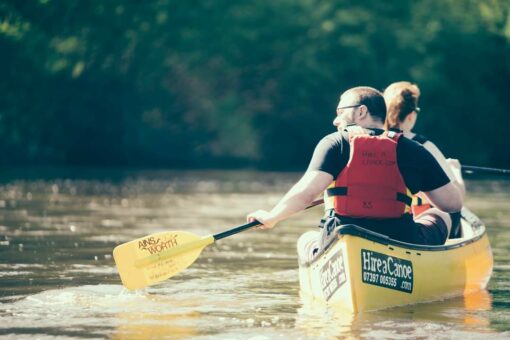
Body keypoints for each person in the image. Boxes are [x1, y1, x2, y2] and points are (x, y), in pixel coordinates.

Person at [247, 86, 462, 252]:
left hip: (342, 238)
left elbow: (306, 193)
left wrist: (272, 217)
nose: (335, 120)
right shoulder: (412, 149)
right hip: (400, 240)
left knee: (306, 239)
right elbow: (452, 203)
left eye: (341, 111)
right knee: (439, 214)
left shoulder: (335, 143)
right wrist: (416, 184)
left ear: (361, 111)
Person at [383, 81, 465, 236]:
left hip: (383, 222)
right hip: (417, 225)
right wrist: (456, 171)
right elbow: (456, 203)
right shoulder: (424, 146)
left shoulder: (369, 142)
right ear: (411, 115)